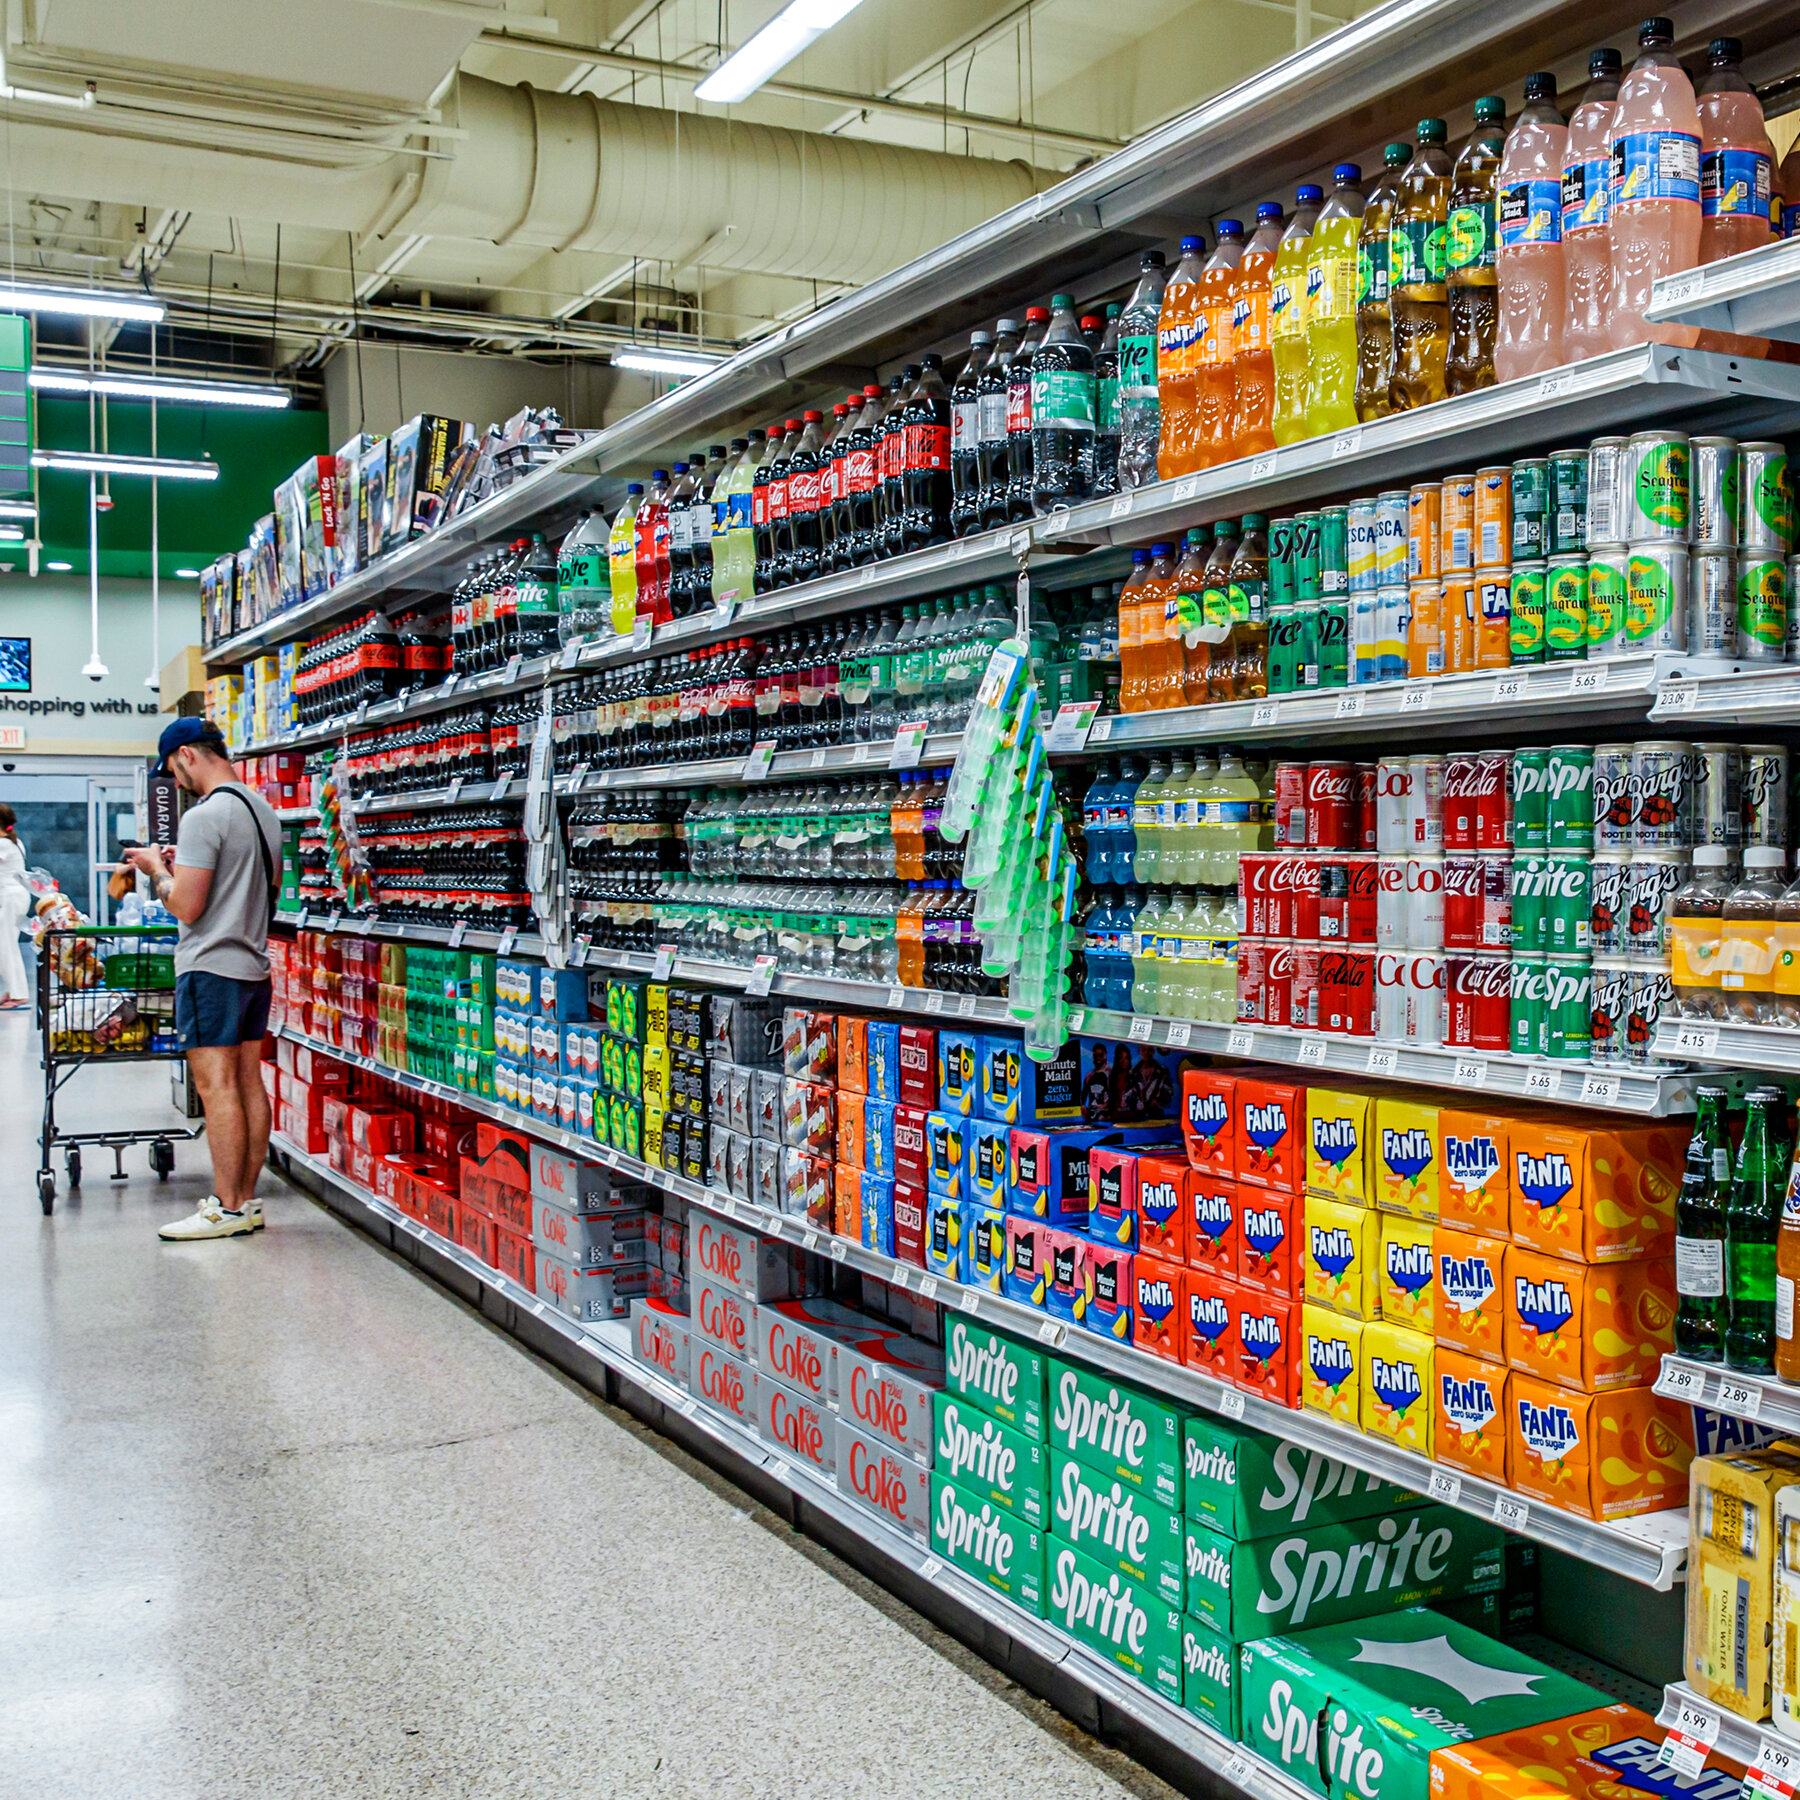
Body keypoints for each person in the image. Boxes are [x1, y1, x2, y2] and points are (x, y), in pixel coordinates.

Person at [126, 718, 282, 1241]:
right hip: (252, 966)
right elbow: (238, 882)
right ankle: (247, 1200)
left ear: (188, 755)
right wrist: (183, 865)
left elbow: (187, 906)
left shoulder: (204, 815)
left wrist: (156, 868)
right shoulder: (262, 810)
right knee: (248, 1083)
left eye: (174, 770)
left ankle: (225, 1206)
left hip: (210, 966)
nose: (177, 782)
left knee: (216, 1088)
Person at [0, 804, 29, 1009]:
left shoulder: (3, 844)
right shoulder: (15, 842)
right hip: (16, 897)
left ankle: (19, 994)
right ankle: (14, 990)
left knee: (5, 946)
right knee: (7, 944)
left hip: (10, 898)